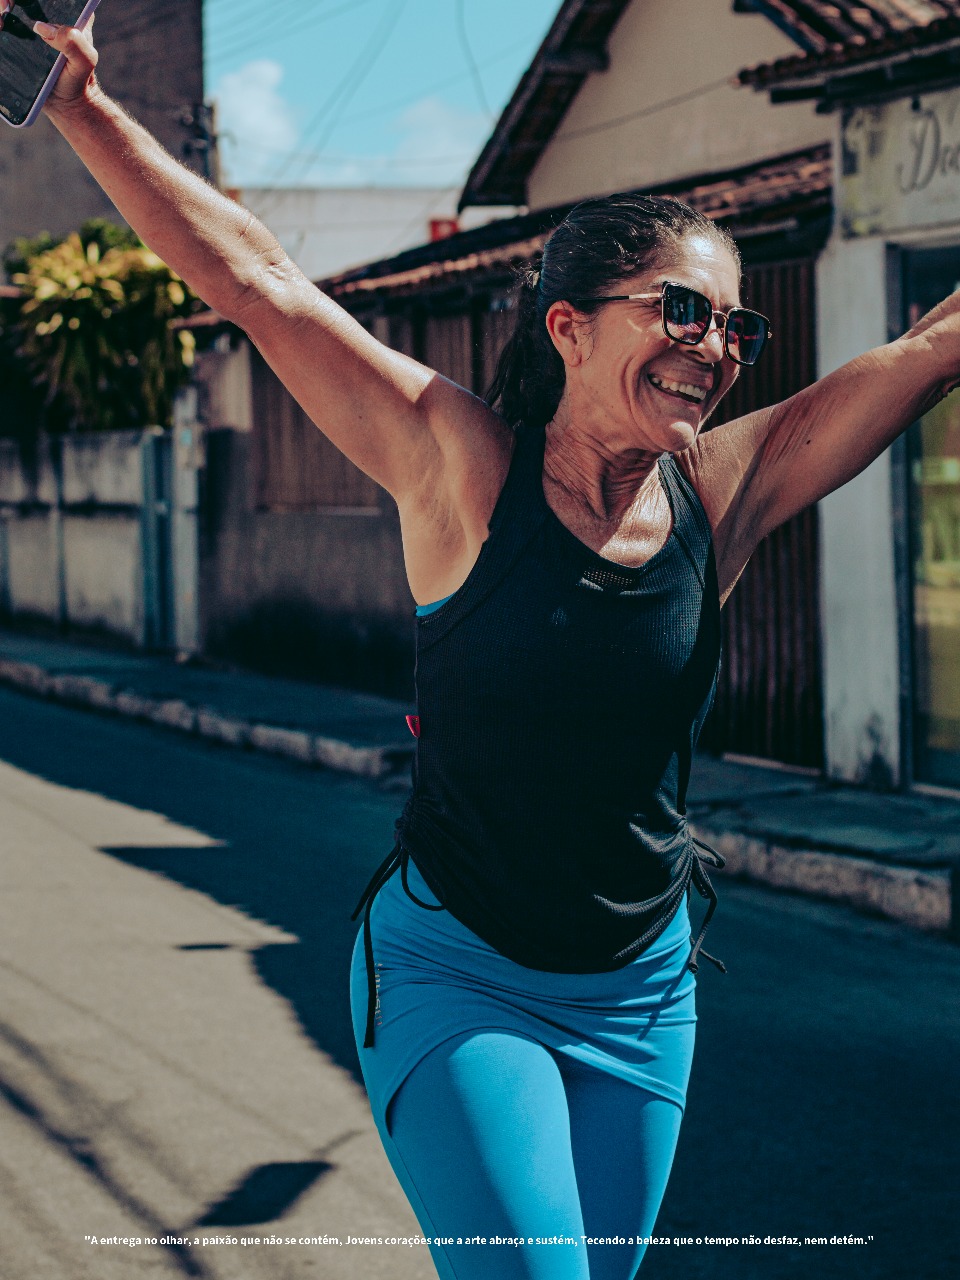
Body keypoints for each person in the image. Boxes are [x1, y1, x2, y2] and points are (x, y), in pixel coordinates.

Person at [13, 13, 960, 1280]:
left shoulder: (721, 492)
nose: (716, 348)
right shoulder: (460, 467)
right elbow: (261, 285)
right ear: (569, 328)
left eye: (738, 328)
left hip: (644, 992)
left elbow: (925, 350)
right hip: (457, 975)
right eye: (682, 310)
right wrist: (81, 103)